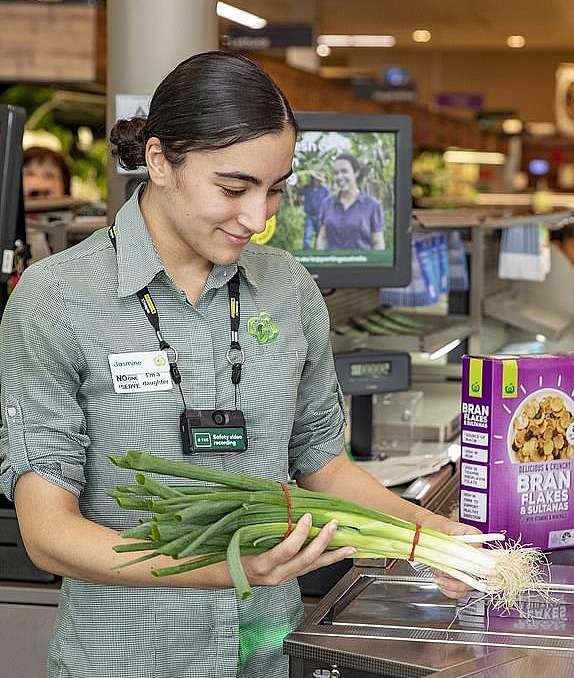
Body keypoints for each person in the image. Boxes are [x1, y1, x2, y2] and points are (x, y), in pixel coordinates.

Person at [0, 52, 476, 678]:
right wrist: (226, 569)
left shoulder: (289, 290)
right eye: (233, 188)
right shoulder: (59, 299)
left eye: (275, 188)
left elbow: (324, 464)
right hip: (121, 658)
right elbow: (47, 533)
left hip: (268, 653)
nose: (257, 219)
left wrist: (433, 537)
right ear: (161, 160)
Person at [316, 153, 385, 251]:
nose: (339, 177)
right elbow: (322, 239)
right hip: (331, 264)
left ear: (356, 172)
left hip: (362, 264)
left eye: (344, 171)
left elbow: (377, 243)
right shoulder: (326, 204)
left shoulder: (372, 205)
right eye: (336, 173)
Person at [300, 172, 329, 249]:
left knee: (319, 237)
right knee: (307, 236)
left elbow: (328, 203)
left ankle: (317, 255)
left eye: (318, 180)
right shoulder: (307, 188)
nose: (316, 181)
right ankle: (305, 256)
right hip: (309, 216)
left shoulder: (325, 190)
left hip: (320, 216)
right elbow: (299, 193)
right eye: (315, 179)